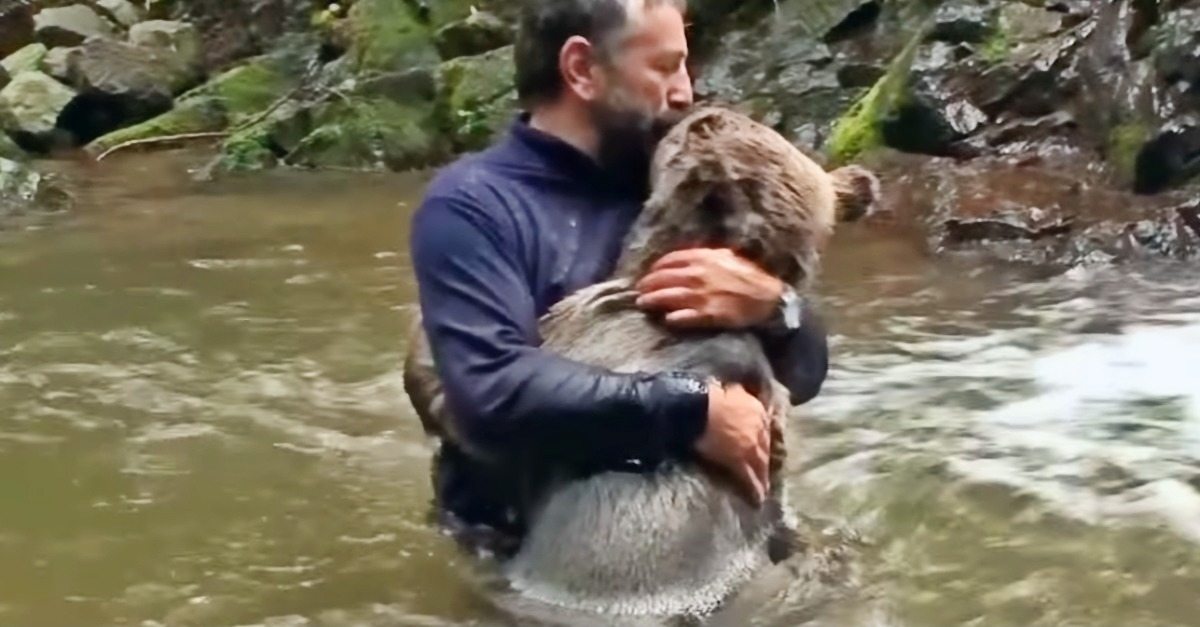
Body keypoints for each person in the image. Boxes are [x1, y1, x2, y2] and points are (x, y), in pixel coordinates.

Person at [408, 0, 829, 554]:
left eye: (685, 66)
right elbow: (491, 397)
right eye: (664, 66)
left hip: (706, 529)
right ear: (582, 69)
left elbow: (804, 379)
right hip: (524, 549)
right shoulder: (472, 206)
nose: (685, 92)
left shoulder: (690, 185)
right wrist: (692, 409)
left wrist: (776, 307)